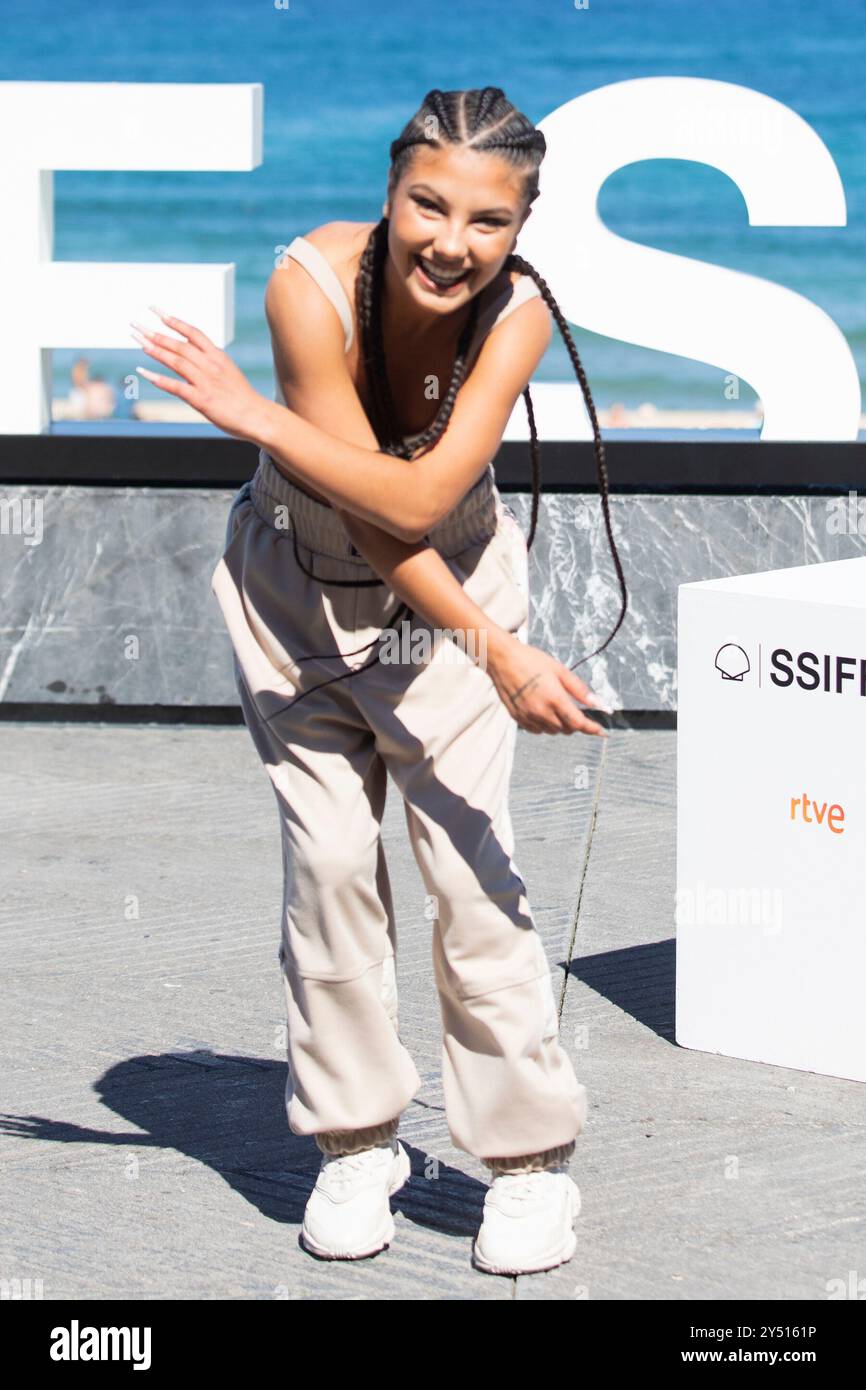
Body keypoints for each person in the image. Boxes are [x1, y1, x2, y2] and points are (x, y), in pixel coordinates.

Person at [130, 86, 628, 1277]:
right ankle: (357, 1140)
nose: (451, 242)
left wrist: (487, 646)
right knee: (329, 867)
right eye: (428, 204)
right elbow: (357, 496)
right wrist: (497, 649)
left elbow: (409, 506)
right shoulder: (307, 284)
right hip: (294, 593)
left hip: (447, 590)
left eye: (487, 221)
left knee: (469, 870)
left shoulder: (515, 318)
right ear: (389, 189)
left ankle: (524, 1162)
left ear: (522, 229)